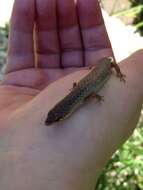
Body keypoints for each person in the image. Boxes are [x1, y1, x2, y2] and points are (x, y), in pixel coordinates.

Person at [0, 0, 142, 189]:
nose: (52, 122)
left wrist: (116, 76)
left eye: (56, 119)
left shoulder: (83, 94)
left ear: (65, 115)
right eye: (55, 118)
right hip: (97, 69)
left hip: (104, 67)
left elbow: (89, 92)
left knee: (104, 65)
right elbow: (82, 93)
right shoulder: (75, 99)